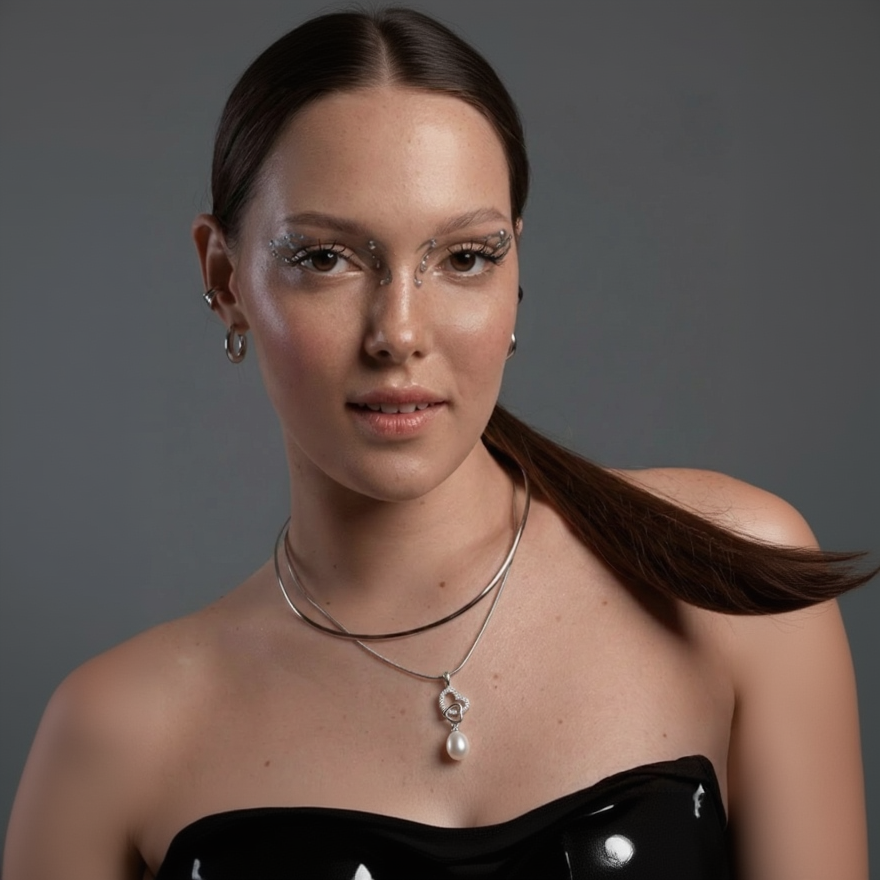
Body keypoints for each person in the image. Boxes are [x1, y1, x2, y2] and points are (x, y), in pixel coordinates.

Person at [3, 7, 873, 879]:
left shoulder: (728, 578)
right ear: (224, 279)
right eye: (326, 259)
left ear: (516, 271)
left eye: (463, 257)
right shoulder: (112, 737)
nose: (399, 333)